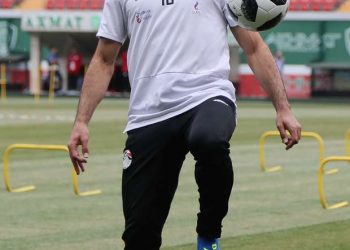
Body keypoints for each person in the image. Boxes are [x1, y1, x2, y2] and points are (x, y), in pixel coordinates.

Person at [68, 0, 301, 249]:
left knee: (209, 140)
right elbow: (104, 59)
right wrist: (81, 121)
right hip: (148, 114)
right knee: (139, 237)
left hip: (207, 94)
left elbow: (253, 47)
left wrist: (283, 107)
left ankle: (208, 235)